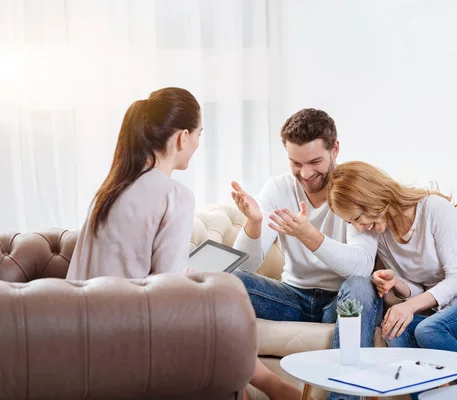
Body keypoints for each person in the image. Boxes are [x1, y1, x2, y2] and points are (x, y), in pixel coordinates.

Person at [66, 87, 305, 400]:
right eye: (199, 134)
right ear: (182, 137)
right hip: (129, 334)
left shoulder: (109, 190)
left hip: (81, 331)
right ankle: (276, 388)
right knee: (221, 317)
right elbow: (169, 293)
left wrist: (187, 272)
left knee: (218, 324)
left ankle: (268, 387)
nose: (196, 144)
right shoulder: (173, 195)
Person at [326, 161, 457, 399]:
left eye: (357, 217)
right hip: (449, 312)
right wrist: (396, 282)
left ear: (371, 196)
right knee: (393, 330)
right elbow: (424, 292)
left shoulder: (434, 209)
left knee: (428, 328)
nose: (359, 226)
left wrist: (408, 307)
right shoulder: (381, 233)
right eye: (351, 223)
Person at [230, 109, 382, 400]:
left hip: (340, 300)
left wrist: (309, 236)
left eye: (315, 162)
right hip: (291, 298)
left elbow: (361, 267)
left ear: (334, 149)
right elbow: (248, 264)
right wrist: (254, 223)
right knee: (226, 280)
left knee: (361, 287)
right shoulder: (278, 189)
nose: (306, 174)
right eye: (296, 164)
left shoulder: (354, 186)